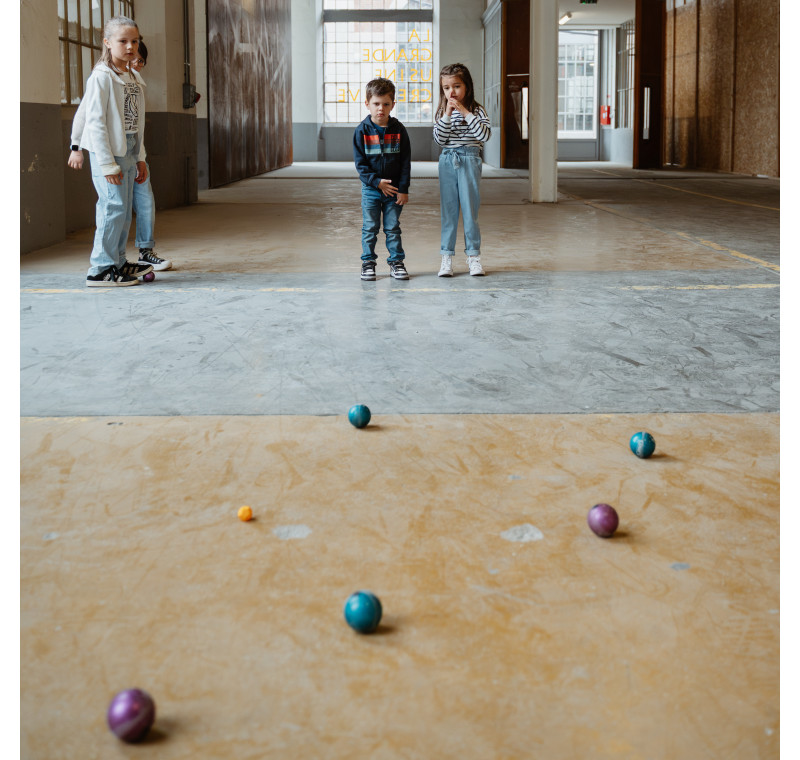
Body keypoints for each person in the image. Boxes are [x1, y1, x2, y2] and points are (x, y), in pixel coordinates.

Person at [68, 38, 172, 274]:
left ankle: (123, 260)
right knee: (112, 206)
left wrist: (140, 157)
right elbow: (88, 117)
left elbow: (136, 125)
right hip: (109, 152)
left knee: (131, 206)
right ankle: (102, 267)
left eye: (140, 58)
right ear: (109, 44)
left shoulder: (134, 82)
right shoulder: (102, 77)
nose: (134, 59)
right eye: (125, 44)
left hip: (131, 151)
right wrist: (76, 147)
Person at [433, 63, 492, 277]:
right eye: (447, 88)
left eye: (456, 86)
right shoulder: (441, 111)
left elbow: (484, 135)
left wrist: (465, 112)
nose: (452, 92)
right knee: (448, 213)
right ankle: (446, 258)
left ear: (467, 86)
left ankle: (474, 257)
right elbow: (440, 139)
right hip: (448, 161)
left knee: (470, 212)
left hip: (469, 160)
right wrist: (448, 114)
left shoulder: (477, 110)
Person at [353, 77, 412, 281]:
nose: (381, 109)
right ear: (367, 104)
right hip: (371, 189)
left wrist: (403, 188)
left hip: (394, 190)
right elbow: (361, 165)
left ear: (393, 105)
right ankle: (368, 262)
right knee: (370, 227)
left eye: (386, 104)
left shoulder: (399, 130)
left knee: (392, 227)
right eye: (376, 103)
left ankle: (396, 262)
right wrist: (376, 182)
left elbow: (405, 162)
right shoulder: (361, 131)